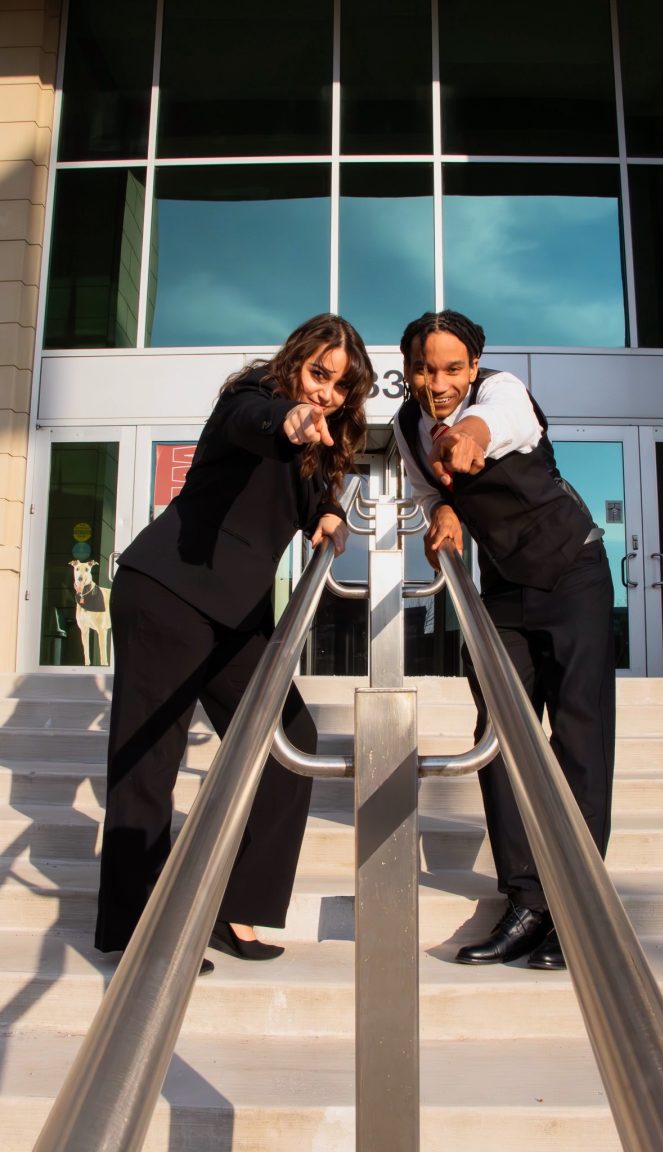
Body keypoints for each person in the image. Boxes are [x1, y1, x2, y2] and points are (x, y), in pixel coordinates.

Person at [95, 314, 373, 971]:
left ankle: (235, 909)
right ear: (293, 363)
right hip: (166, 593)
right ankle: (140, 934)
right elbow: (259, 421)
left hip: (235, 618)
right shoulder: (251, 398)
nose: (328, 394)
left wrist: (329, 509)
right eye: (319, 375)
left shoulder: (312, 450)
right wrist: (290, 419)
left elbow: (310, 497)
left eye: (342, 386)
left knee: (291, 741)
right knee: (148, 763)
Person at [393, 310, 615, 971]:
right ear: (409, 370)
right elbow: (423, 485)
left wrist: (467, 439)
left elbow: (490, 428)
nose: (439, 383)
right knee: (498, 735)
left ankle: (576, 906)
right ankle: (525, 901)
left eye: (453, 368)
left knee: (578, 736)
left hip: (573, 572)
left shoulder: (503, 393)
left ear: (475, 365)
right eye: (426, 369)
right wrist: (444, 511)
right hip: (504, 591)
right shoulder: (407, 427)